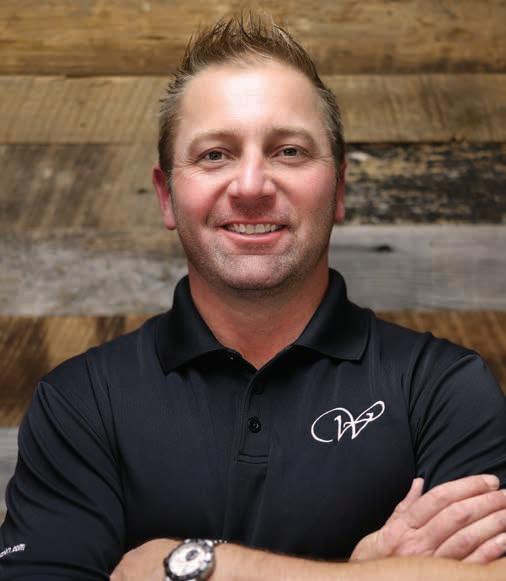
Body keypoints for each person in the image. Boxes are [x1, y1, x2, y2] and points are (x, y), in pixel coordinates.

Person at [1, 13, 505, 581]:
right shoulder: (81, 404)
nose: (250, 187)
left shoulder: (441, 390)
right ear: (166, 197)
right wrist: (368, 573)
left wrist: (203, 566)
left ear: (338, 189)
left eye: (288, 151)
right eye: (214, 155)